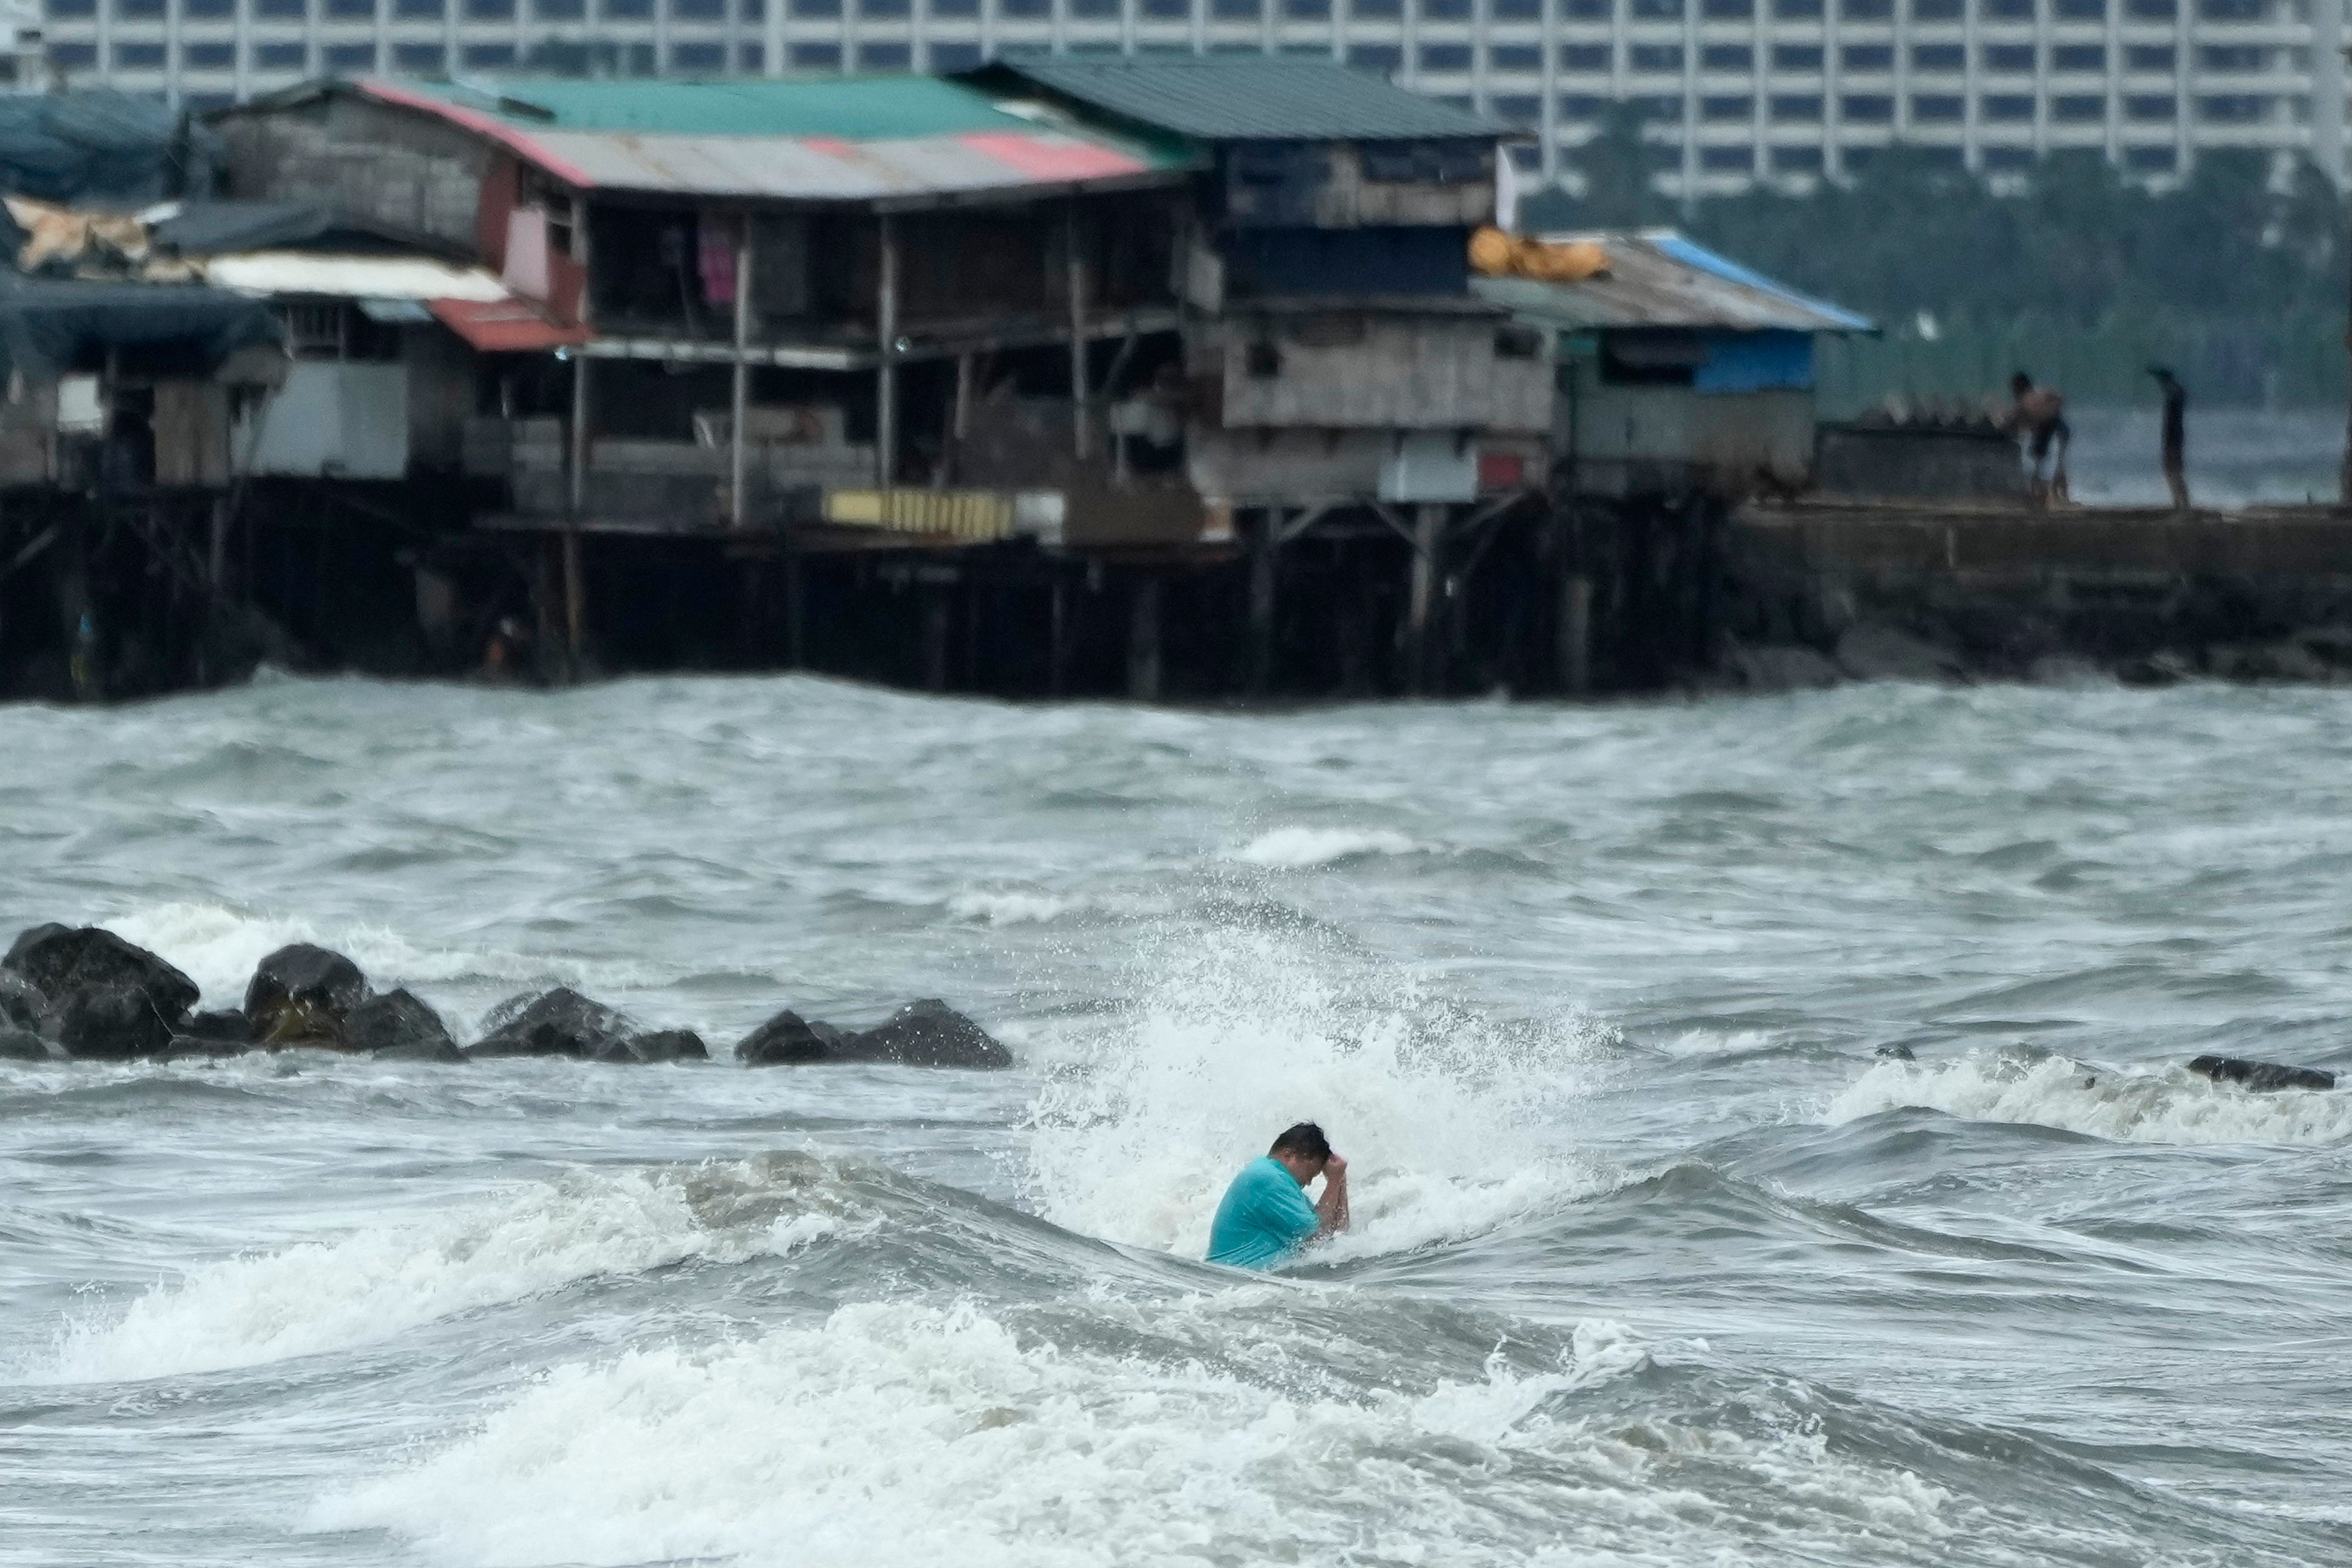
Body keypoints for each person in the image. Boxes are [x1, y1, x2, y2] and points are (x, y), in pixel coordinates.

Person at [1205, 1122, 1350, 1269]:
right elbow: (1317, 1238)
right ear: (1289, 1155)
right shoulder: (1268, 1178)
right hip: (1236, 1278)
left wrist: (1340, 1181)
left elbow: (1337, 1234)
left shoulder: (1280, 1182)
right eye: (1310, 1173)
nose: (1309, 1182)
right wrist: (1334, 1182)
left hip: (1246, 1278)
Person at [2005, 372, 2070, 503]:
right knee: (2052, 462)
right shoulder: (2038, 395)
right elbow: (2058, 397)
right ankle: (2055, 493)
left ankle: (2042, 492)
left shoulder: (2025, 401)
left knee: (2040, 461)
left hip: (2049, 427)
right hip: (2056, 426)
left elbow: (2014, 423)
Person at [2149, 366, 2190, 511]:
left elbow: (2177, 393)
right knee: (2171, 472)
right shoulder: (2175, 394)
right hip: (2172, 438)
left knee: (2174, 472)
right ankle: (2180, 504)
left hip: (2174, 438)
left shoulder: (2177, 394)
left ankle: (2183, 505)